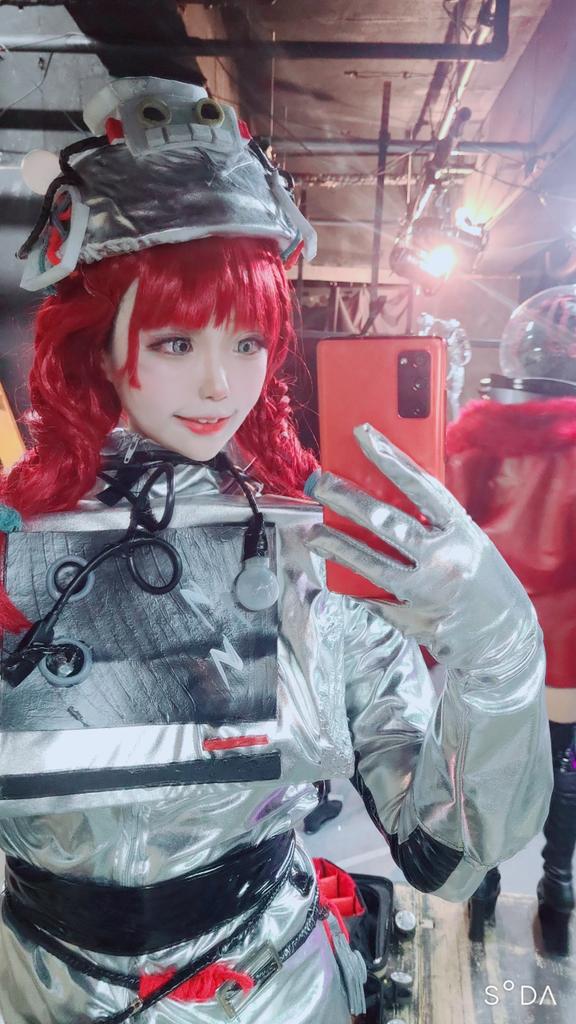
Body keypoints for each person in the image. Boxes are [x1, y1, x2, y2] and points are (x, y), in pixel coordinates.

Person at [0, 76, 552, 1024]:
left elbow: (447, 854)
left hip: (270, 986)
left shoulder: (313, 558)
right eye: (176, 343)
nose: (221, 384)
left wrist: (500, 661)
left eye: (249, 342)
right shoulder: (17, 546)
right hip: (39, 986)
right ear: (97, 343)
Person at [447, 286, 576, 954]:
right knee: (567, 772)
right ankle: (559, 896)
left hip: (494, 649)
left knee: (488, 775)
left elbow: (446, 546)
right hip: (569, 657)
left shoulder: (476, 435)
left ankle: (485, 891)